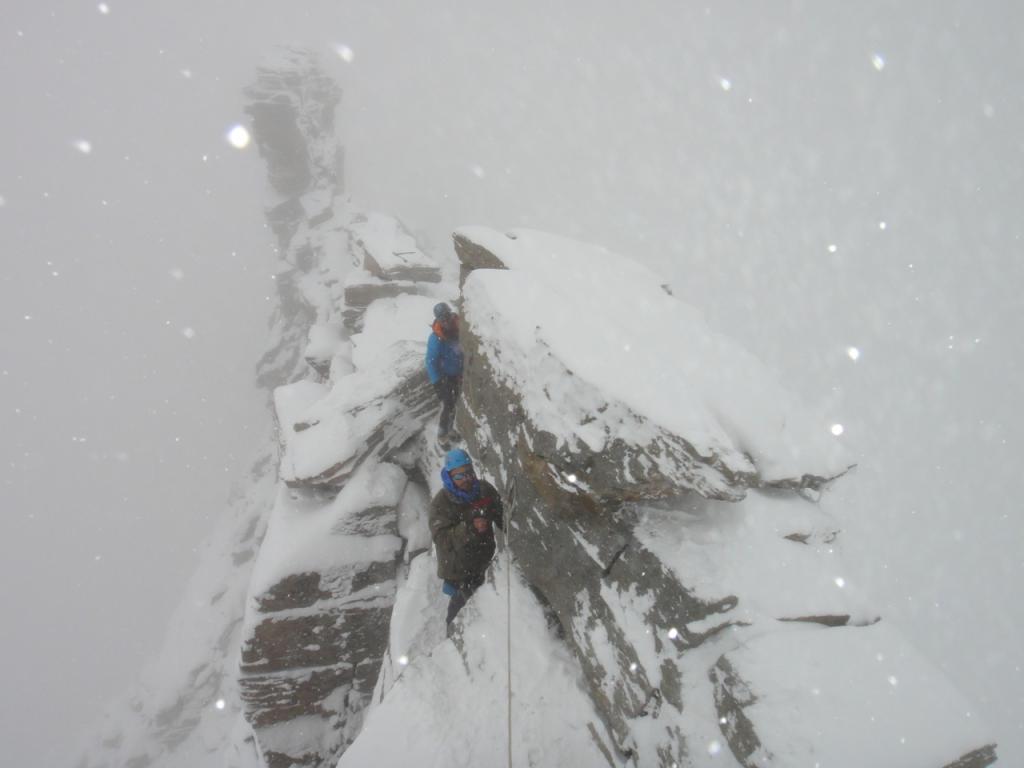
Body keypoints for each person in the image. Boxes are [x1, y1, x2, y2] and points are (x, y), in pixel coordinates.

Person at [429, 449, 504, 632]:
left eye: (469, 473)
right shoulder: (442, 503)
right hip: (459, 570)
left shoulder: (484, 490)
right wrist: (469, 527)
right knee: (460, 609)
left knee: (480, 605)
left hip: (483, 561)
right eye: (459, 476)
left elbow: (500, 515)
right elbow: (441, 539)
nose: (466, 479)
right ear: (450, 477)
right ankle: (453, 639)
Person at [424, 301, 464, 444]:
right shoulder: (436, 338)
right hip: (446, 377)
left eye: (447, 316)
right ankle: (442, 436)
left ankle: (451, 428)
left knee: (456, 403)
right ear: (438, 320)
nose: (446, 321)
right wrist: (437, 384)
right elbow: (430, 362)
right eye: (442, 319)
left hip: (459, 373)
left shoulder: (459, 326)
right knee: (448, 405)